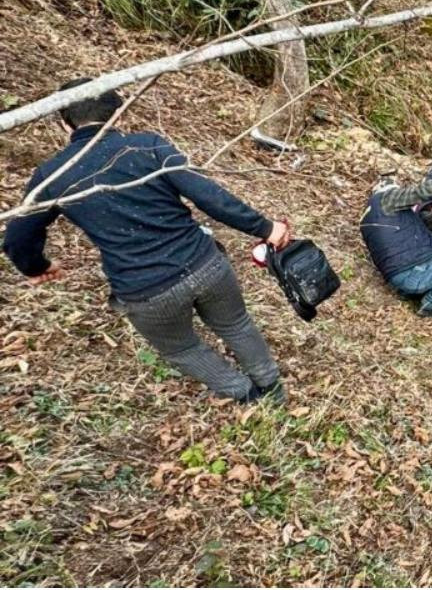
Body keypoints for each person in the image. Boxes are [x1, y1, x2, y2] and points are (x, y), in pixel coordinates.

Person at [3, 79, 291, 403]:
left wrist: (36, 267)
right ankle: (272, 389)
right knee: (237, 324)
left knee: (183, 348)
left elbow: (18, 237)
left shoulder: (52, 175)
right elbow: (210, 196)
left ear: (64, 122)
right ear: (120, 113)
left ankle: (245, 395)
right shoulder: (147, 146)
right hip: (205, 264)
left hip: (145, 290)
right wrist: (265, 228)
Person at [360, 158, 432, 318]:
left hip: (395, 276)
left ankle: (408, 292)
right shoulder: (388, 198)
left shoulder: (369, 216)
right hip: (410, 274)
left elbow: (402, 234)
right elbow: (422, 191)